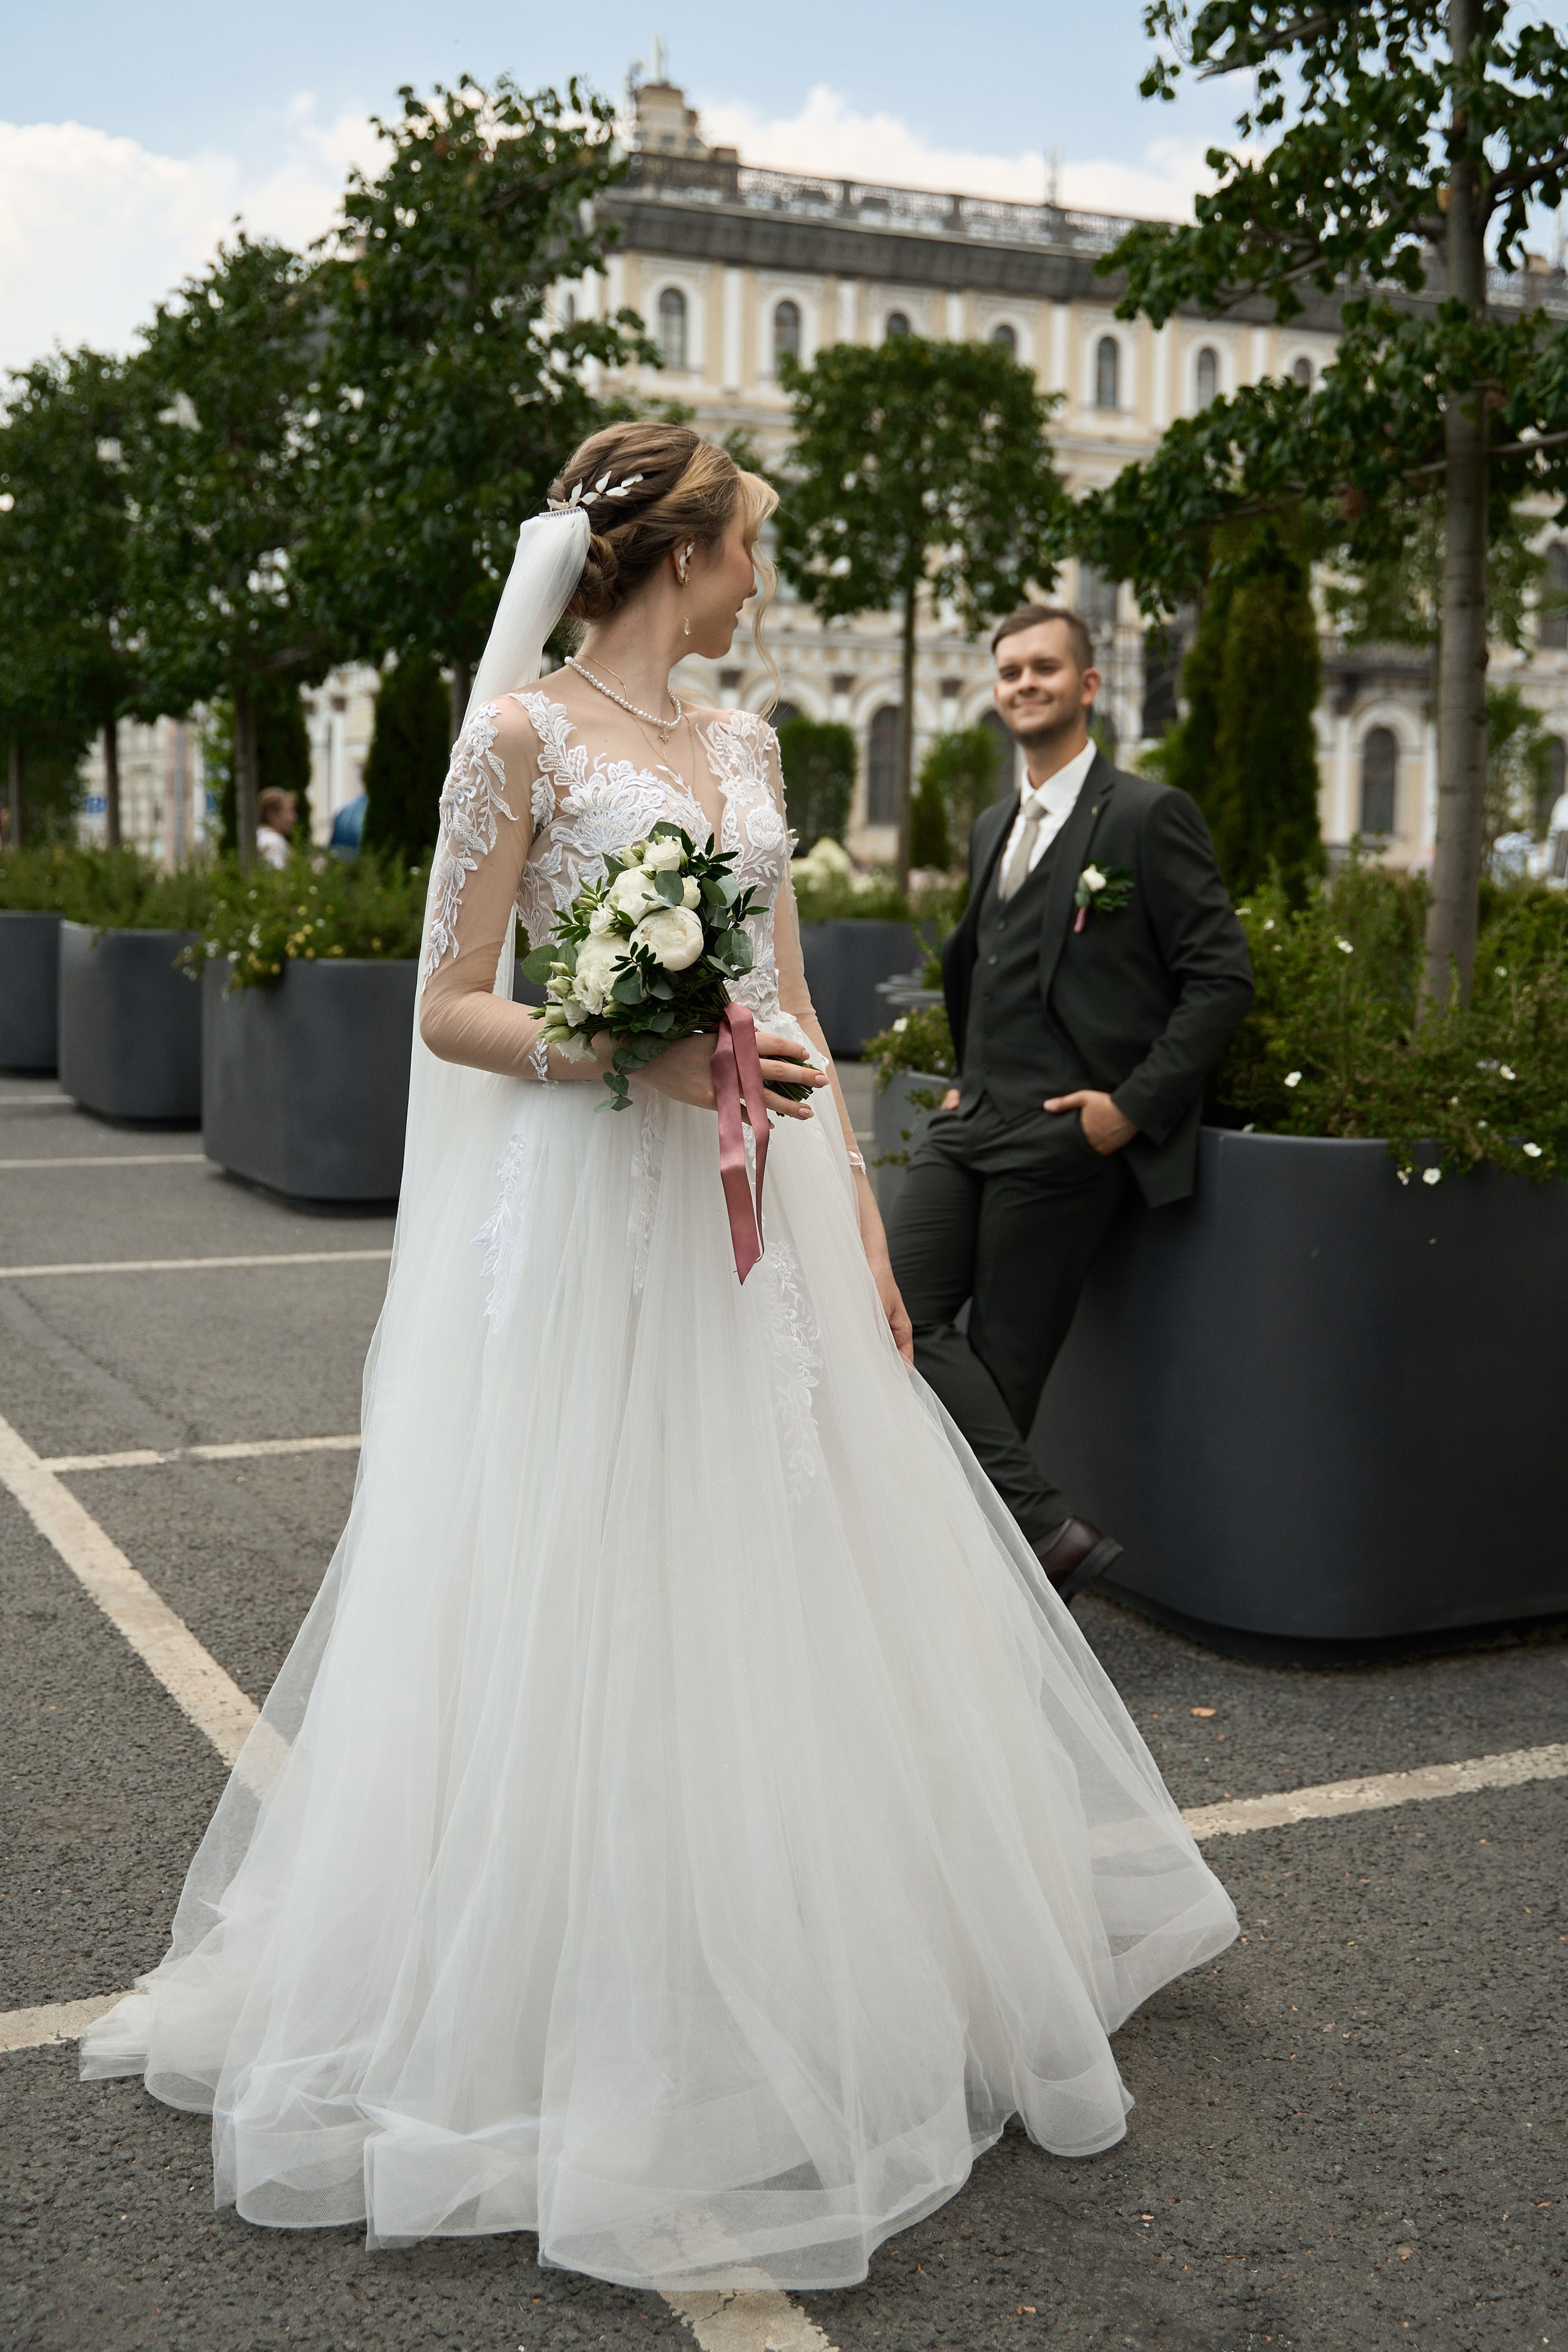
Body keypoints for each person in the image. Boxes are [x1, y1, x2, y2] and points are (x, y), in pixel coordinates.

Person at [82, 428, 1237, 2292]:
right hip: (596, 1225)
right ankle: (579, 2000)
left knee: (788, 1564)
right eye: (750, 547)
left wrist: (855, 1222)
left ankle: (804, 1951)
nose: (763, 579)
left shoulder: (744, 745)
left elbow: (778, 1000)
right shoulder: (519, 738)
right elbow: (455, 1005)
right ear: (675, 553)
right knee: (592, 1574)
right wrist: (614, 1047)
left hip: (759, 1217)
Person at [888, 608, 1254, 1604]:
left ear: (1089, 685)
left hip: (1065, 1136)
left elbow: (1221, 978)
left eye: (1045, 667)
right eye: (1009, 671)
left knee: (1003, 1373)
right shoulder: (991, 827)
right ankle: (1047, 1532)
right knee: (890, 1309)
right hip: (972, 1118)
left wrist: (1129, 1110)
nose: (1024, 684)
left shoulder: (1145, 815)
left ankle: (970, 1603)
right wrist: (968, 1065)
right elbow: (991, 962)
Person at [255, 786, 296, 869]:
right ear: (272, 815)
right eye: (290, 811)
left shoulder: (265, 837)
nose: (294, 818)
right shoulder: (271, 842)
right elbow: (279, 876)